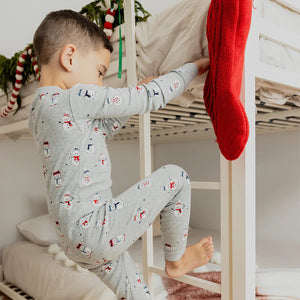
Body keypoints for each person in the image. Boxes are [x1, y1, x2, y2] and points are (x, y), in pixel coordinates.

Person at [29, 9, 214, 300]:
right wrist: (190, 69)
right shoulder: (76, 98)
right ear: (69, 58)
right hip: (96, 230)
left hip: (74, 241)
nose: (100, 84)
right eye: (100, 73)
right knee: (176, 177)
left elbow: (98, 132)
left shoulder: (39, 110)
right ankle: (176, 261)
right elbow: (149, 98)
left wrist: (134, 95)